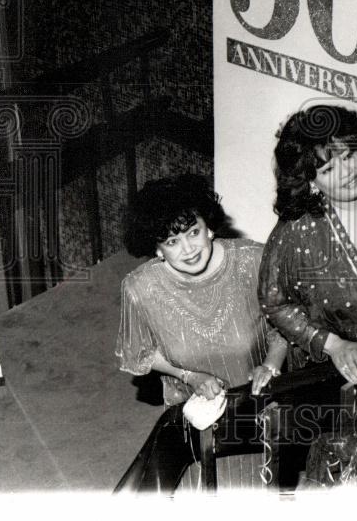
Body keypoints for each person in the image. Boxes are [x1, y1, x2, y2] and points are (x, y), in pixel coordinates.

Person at [259, 105, 357, 388]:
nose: (347, 173)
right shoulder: (294, 233)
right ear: (311, 182)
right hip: (342, 374)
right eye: (328, 169)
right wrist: (332, 345)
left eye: (348, 156)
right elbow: (274, 303)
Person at [116, 174, 287, 406]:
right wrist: (189, 376)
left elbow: (287, 325)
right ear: (157, 249)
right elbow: (140, 353)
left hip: (260, 395)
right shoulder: (140, 288)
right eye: (172, 242)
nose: (188, 250)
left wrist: (270, 366)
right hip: (193, 406)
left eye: (193, 233)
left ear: (208, 228)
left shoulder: (254, 261)